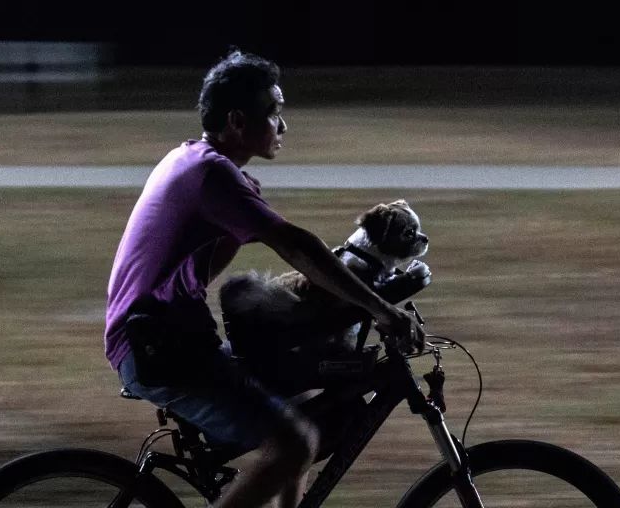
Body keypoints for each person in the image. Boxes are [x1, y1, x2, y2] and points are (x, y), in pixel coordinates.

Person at [105, 50, 424, 508]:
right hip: (158, 348)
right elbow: (295, 245)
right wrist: (380, 309)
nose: (283, 125)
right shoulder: (210, 175)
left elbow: (209, 270)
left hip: (171, 340)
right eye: (274, 112)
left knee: (303, 419)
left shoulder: (196, 162)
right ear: (237, 120)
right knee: (294, 444)